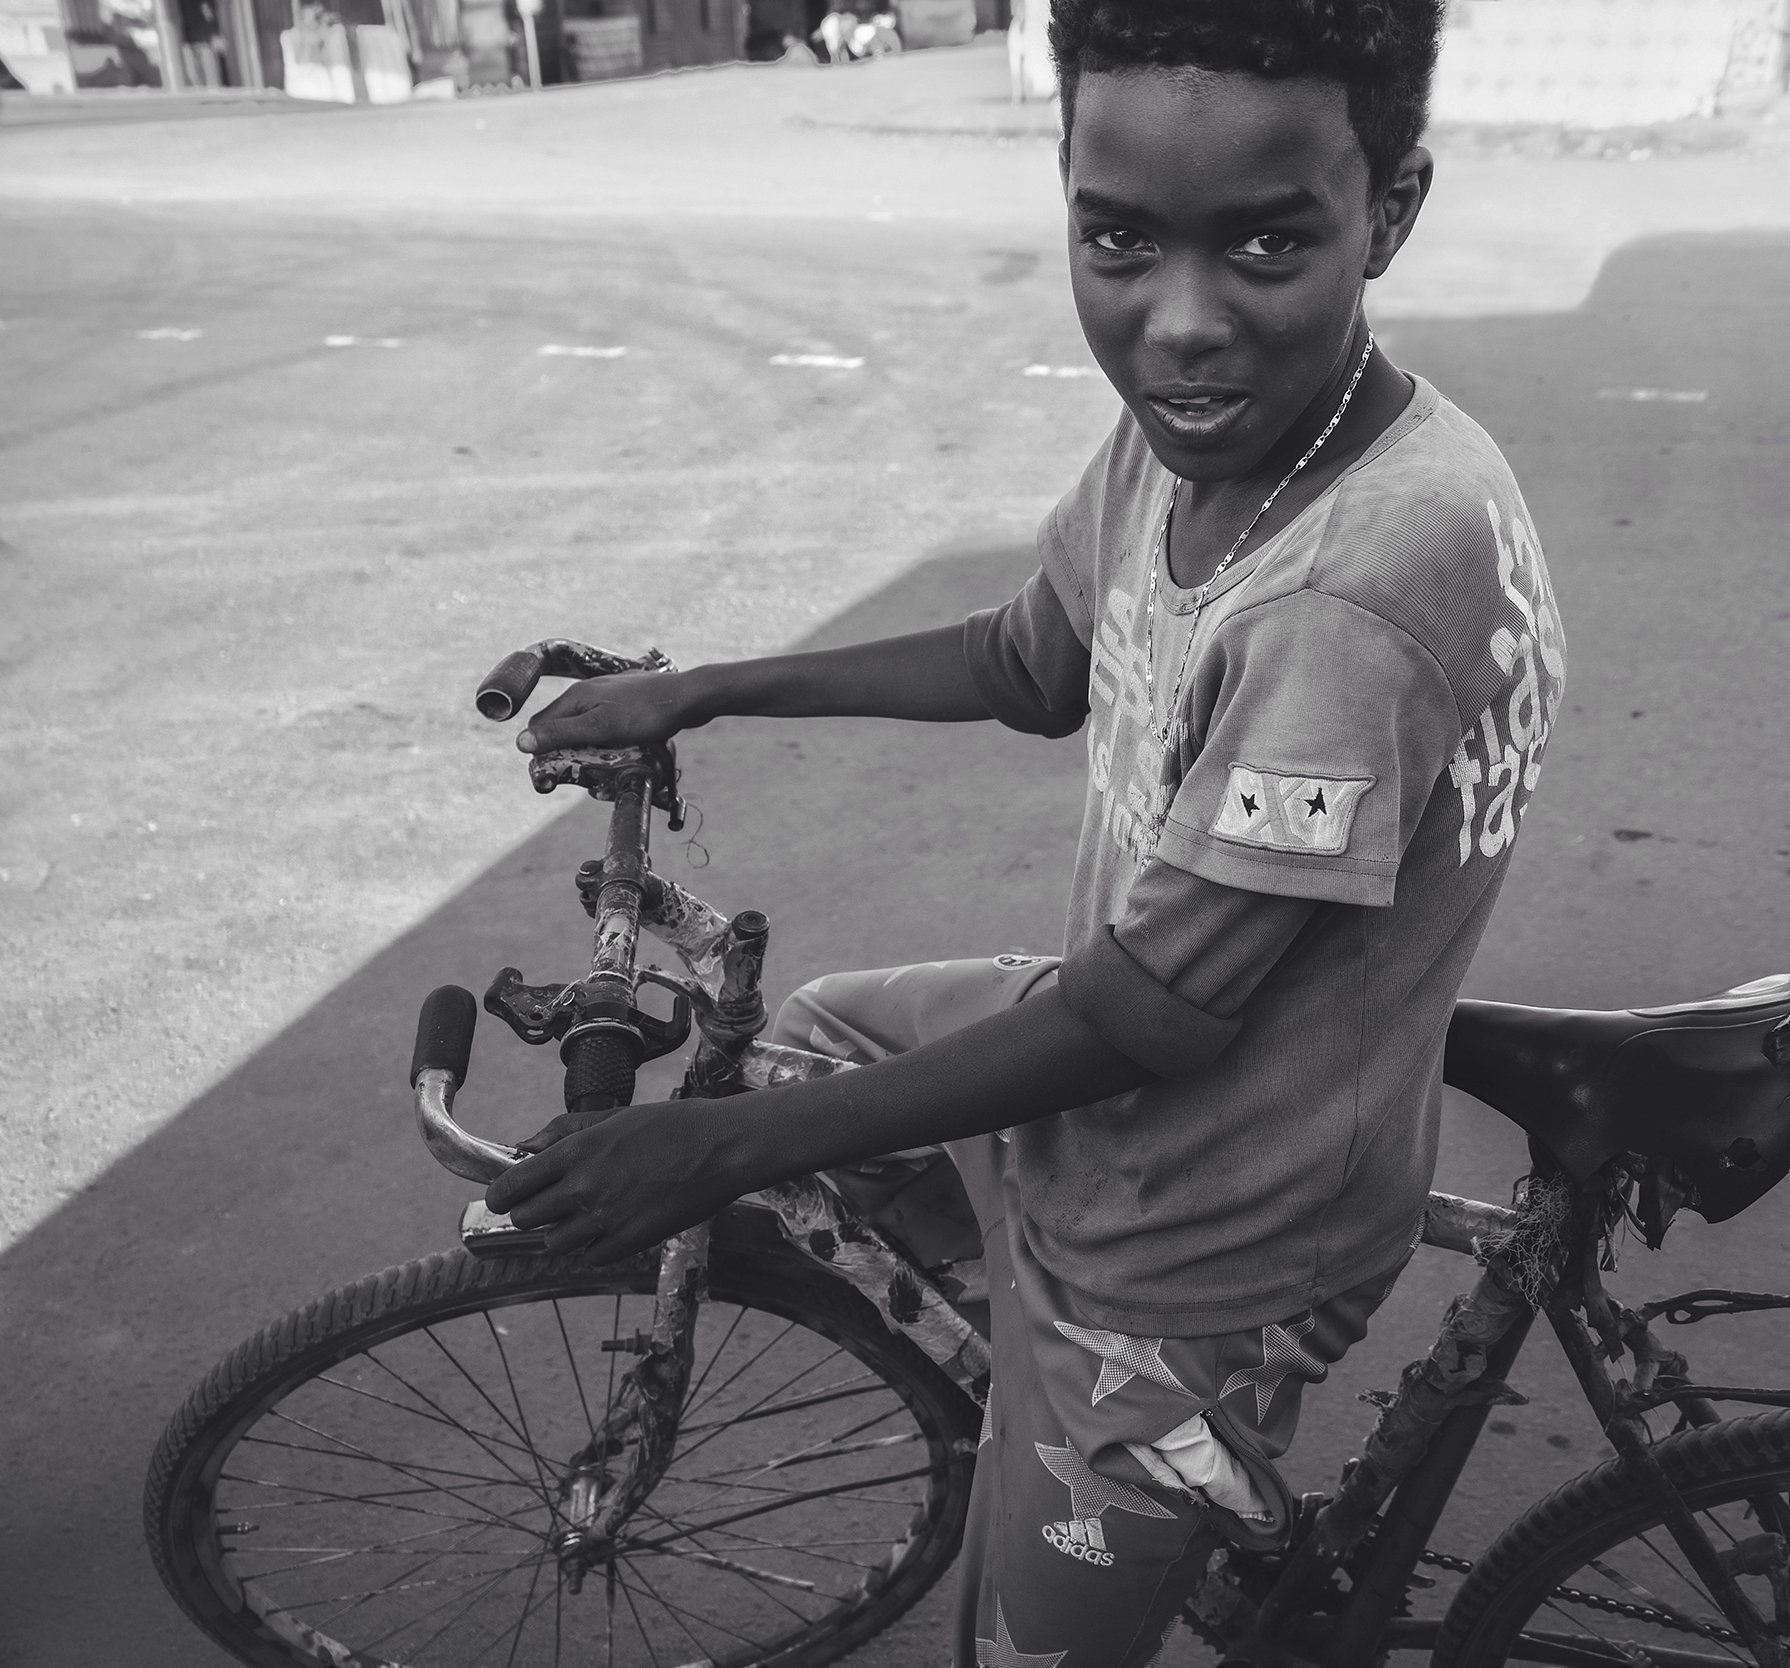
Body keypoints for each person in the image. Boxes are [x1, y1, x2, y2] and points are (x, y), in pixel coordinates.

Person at [483, 3, 1564, 1661]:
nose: (1180, 325)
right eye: (1119, 239)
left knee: (1030, 1631)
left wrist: (715, 1155)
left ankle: (1125, 1431)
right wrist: (703, 687)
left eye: (1269, 243)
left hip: (1207, 1219)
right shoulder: (1206, 433)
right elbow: (1028, 656)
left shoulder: (1358, 582)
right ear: (1067, 188)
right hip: (1153, 1044)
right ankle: (1055, 1376)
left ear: (1391, 212)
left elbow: (1147, 1014)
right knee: (818, 1043)